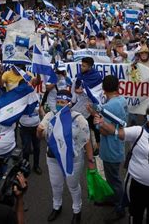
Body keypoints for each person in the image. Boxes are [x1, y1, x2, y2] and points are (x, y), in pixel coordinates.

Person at [94, 105, 149, 224]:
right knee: (136, 214)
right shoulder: (138, 131)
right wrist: (102, 123)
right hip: (137, 185)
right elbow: (115, 132)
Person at [37, 90, 95, 223]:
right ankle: (56, 207)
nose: (59, 105)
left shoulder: (78, 118)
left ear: (69, 103)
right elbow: (39, 135)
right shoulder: (50, 115)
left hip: (72, 159)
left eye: (63, 102)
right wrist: (39, 131)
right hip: (53, 158)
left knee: (73, 186)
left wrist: (91, 161)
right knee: (55, 185)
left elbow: (86, 141)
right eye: (58, 102)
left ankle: (77, 210)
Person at [89, 75, 126, 223]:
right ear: (118, 86)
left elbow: (103, 130)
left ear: (103, 89)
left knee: (114, 179)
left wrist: (95, 117)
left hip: (111, 148)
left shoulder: (109, 106)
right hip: (117, 145)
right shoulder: (121, 100)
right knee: (113, 178)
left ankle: (119, 207)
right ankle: (113, 198)